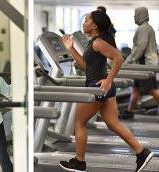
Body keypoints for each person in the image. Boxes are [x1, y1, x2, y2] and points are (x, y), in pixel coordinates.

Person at [59, 11, 153, 172]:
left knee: (79, 123)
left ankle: (79, 162)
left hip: (97, 88)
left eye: (86, 20)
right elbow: (86, 67)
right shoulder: (93, 42)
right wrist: (71, 48)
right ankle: (142, 152)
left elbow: (118, 58)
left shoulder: (98, 43)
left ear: (94, 25)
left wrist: (108, 81)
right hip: (101, 87)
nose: (84, 22)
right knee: (113, 123)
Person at [122, 7, 159, 122]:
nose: (134, 18)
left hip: (144, 65)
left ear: (141, 15)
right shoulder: (145, 28)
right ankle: (129, 112)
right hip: (141, 64)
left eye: (136, 15)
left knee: (152, 90)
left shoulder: (144, 28)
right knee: (135, 89)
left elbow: (141, 46)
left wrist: (129, 60)